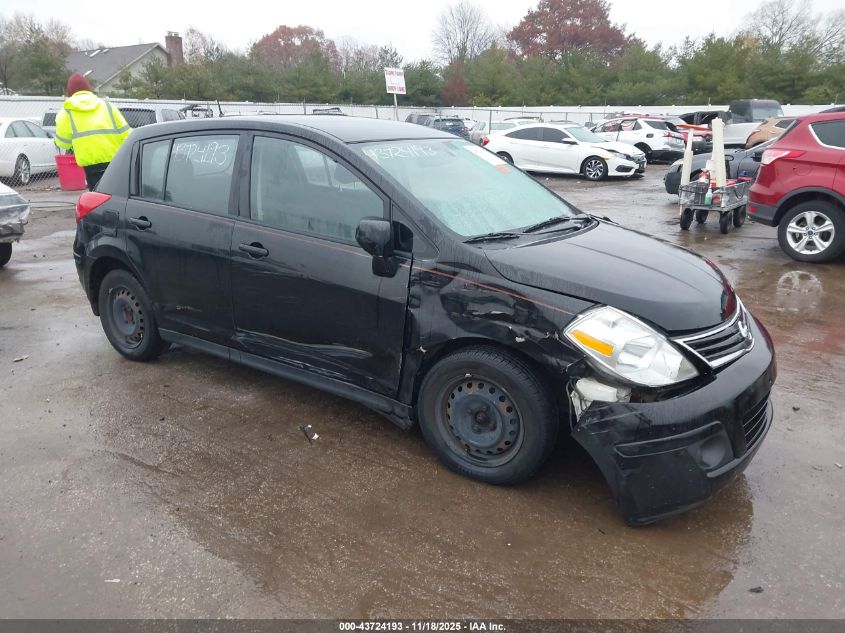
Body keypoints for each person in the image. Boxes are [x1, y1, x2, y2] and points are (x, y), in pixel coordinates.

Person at [54, 73, 130, 191]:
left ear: (69, 91)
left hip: (91, 165)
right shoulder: (107, 106)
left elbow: (63, 143)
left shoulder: (66, 112)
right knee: (118, 195)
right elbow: (127, 134)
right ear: (88, 88)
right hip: (115, 161)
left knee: (98, 198)